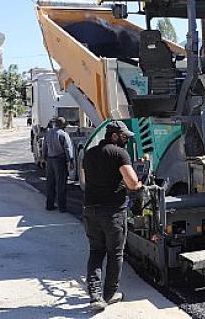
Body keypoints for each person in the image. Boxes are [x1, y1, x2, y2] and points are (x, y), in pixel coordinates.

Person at [81, 120, 143, 311]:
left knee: (96, 251)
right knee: (115, 253)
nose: (126, 140)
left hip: (90, 210)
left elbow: (84, 181)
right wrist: (139, 185)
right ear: (114, 136)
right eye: (124, 137)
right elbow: (132, 184)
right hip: (112, 212)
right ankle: (109, 294)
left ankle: (94, 296)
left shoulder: (89, 153)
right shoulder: (119, 153)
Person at [42, 117, 73, 212]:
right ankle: (62, 207)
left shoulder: (48, 133)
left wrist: (44, 158)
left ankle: (49, 205)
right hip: (59, 161)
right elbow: (67, 148)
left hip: (50, 161)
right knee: (61, 184)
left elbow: (44, 147)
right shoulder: (63, 134)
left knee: (50, 183)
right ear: (63, 124)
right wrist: (70, 160)